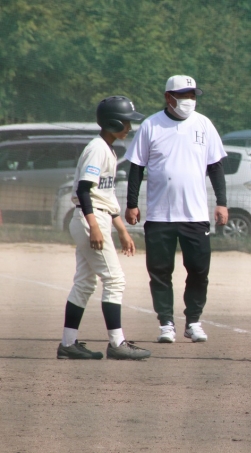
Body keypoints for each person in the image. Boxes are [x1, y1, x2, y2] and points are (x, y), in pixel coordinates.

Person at [124, 75, 228, 344]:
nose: (189, 100)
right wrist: (132, 204)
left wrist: (222, 202)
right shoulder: (151, 125)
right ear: (168, 97)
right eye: (183, 95)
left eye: (193, 95)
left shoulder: (204, 124)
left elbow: (215, 167)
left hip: (195, 215)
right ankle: (166, 323)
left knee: (199, 271)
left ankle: (193, 322)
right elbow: (136, 167)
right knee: (160, 272)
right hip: (160, 215)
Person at [57, 96, 151, 360]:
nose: (129, 127)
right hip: (91, 219)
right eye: (126, 122)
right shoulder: (98, 149)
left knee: (85, 282)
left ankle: (68, 344)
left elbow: (105, 197)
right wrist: (94, 226)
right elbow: (83, 190)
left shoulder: (108, 149)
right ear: (112, 122)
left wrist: (121, 229)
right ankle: (117, 343)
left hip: (96, 218)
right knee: (115, 280)